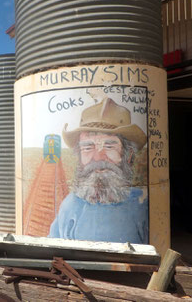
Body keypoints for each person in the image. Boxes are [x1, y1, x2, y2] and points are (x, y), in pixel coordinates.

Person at [48, 97, 148, 244]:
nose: (98, 157)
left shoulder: (142, 206)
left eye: (109, 146)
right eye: (88, 148)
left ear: (128, 155)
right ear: (80, 156)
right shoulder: (70, 206)